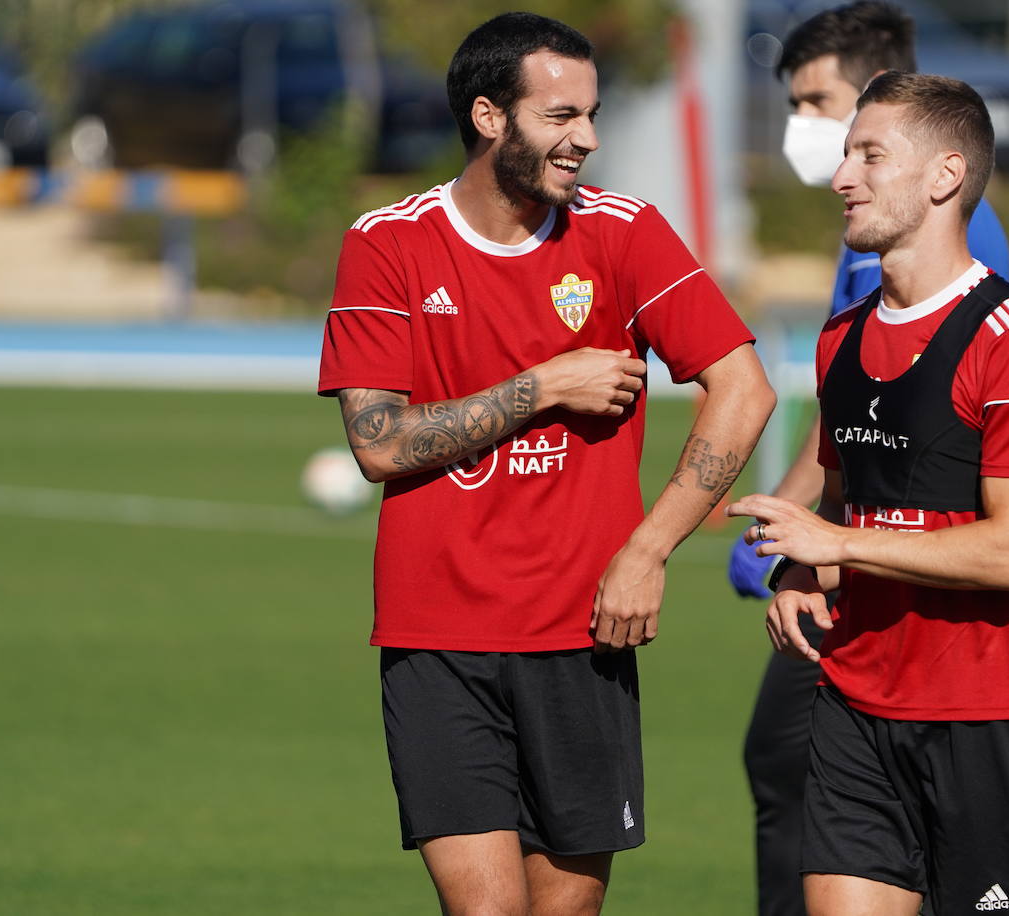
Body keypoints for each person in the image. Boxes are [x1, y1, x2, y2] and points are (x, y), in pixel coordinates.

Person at [317, 12, 776, 914]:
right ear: (489, 117)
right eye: (561, 116)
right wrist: (543, 387)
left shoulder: (625, 233)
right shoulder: (388, 242)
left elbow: (744, 390)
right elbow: (378, 443)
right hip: (438, 638)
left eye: (592, 114)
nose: (587, 139)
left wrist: (648, 550)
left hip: (585, 634)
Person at [726, 6, 1009, 912]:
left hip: (989, 713)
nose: (840, 176)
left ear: (945, 176)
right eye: (845, 152)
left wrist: (839, 546)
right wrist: (801, 571)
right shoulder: (842, 339)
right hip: (855, 700)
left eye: (869, 156)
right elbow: (845, 499)